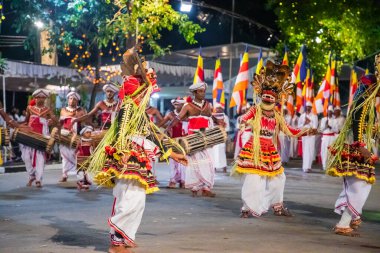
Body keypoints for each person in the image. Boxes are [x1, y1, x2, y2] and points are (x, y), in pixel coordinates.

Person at [86, 48, 187, 253]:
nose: (148, 96)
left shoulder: (140, 113)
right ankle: (116, 242)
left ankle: (124, 237)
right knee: (128, 198)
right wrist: (121, 153)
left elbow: (152, 138)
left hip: (139, 159)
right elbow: (121, 132)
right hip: (127, 157)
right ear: (139, 92)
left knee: (137, 200)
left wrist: (173, 154)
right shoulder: (128, 107)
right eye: (146, 92)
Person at [233, 60, 314, 218]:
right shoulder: (255, 110)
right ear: (262, 95)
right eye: (265, 96)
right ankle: (246, 208)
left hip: (270, 150)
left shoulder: (277, 116)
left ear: (276, 99)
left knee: (279, 178)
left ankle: (277, 206)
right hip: (255, 148)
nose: (268, 99)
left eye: (271, 97)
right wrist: (243, 123)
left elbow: (290, 130)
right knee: (254, 179)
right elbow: (243, 118)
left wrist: (308, 131)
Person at [327, 71, 379, 237]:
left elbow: (368, 124)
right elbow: (357, 121)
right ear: (370, 87)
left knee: (356, 184)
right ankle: (344, 223)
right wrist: (360, 145)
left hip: (359, 143)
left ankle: (354, 216)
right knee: (361, 184)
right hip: (357, 145)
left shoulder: (367, 101)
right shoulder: (363, 100)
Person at [167, 82, 216, 197]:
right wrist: (169, 127)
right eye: (200, 91)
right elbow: (177, 119)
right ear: (194, 93)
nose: (203, 94)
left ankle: (204, 187)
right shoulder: (187, 106)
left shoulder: (208, 105)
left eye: (203, 91)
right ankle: (197, 187)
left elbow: (210, 120)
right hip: (192, 138)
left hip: (205, 137)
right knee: (195, 162)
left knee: (208, 162)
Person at [21, 89, 58, 188]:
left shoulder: (48, 110)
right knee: (25, 157)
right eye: (38, 97)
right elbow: (26, 121)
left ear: (45, 98)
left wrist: (51, 120)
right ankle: (32, 175)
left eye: (42, 97)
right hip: (30, 136)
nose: (40, 99)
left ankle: (38, 179)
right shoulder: (30, 108)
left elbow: (55, 121)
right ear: (35, 98)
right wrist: (17, 125)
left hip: (42, 138)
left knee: (40, 159)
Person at [157, 97, 187, 188]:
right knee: (173, 161)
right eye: (175, 104)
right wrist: (153, 127)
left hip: (185, 141)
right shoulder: (171, 114)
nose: (176, 105)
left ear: (183, 105)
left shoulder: (187, 114)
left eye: (178, 104)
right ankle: (173, 180)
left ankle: (183, 181)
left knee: (183, 161)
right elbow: (161, 123)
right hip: (173, 141)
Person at [59, 91, 87, 182]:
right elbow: (60, 123)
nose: (72, 100)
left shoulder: (81, 110)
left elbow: (84, 123)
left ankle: (81, 173)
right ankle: (64, 174)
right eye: (70, 98)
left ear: (77, 101)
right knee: (64, 155)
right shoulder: (63, 110)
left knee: (75, 155)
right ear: (68, 100)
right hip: (65, 136)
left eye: (74, 99)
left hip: (76, 137)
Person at [298, 101, 318, 173]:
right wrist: (304, 123)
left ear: (311, 108)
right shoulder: (302, 116)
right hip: (304, 135)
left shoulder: (314, 116)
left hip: (311, 136)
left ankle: (308, 167)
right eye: (307, 107)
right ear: (305, 107)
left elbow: (315, 127)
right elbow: (299, 126)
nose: (308, 108)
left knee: (310, 150)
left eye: (309, 107)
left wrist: (310, 122)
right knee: (305, 150)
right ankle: (305, 167)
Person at [212, 105, 230, 173]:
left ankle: (224, 167)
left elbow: (227, 128)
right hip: (214, 137)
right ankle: (214, 168)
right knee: (214, 152)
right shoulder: (212, 116)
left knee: (222, 152)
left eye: (219, 108)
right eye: (216, 108)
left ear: (222, 109)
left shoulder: (225, 117)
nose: (217, 109)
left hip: (221, 137)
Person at [76, 125, 94, 190]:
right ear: (83, 133)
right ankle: (80, 183)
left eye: (90, 132)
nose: (89, 134)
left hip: (88, 158)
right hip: (80, 158)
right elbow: (76, 149)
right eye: (87, 132)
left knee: (87, 171)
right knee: (80, 171)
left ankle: (86, 184)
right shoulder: (80, 140)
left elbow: (93, 149)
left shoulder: (92, 141)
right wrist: (75, 156)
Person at [319, 105, 336, 171]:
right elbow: (320, 130)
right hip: (325, 137)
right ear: (327, 112)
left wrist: (330, 127)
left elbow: (337, 130)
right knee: (324, 152)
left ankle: (330, 165)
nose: (329, 113)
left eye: (331, 112)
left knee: (331, 152)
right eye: (328, 111)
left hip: (332, 137)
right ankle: (324, 166)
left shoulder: (334, 120)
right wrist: (325, 126)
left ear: (332, 112)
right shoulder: (323, 119)